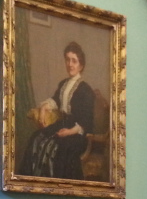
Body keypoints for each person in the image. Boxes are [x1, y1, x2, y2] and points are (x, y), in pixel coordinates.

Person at [19, 41, 94, 180]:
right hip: (62, 124)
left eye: (74, 61)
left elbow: (86, 122)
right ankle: (32, 181)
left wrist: (69, 132)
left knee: (59, 148)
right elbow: (54, 101)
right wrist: (43, 109)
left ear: (81, 65)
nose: (70, 64)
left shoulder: (86, 90)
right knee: (37, 138)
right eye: (67, 60)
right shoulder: (63, 84)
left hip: (77, 133)